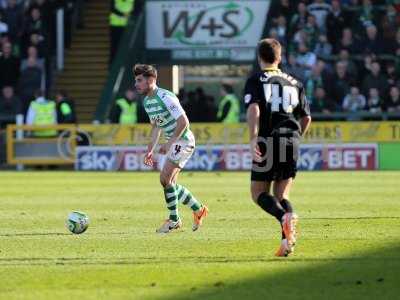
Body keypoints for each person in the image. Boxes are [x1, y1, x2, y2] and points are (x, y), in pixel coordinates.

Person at [244, 38, 311, 257]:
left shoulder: (256, 79)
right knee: (282, 195)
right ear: (279, 57)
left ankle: (283, 218)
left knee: (258, 193)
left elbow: (254, 108)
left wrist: (253, 137)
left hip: (267, 139)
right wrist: (295, 137)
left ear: (259, 57)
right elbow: (307, 118)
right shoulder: (295, 82)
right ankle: (286, 243)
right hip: (292, 139)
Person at [134, 64, 208, 233]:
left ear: (151, 80)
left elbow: (184, 122)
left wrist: (170, 142)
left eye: (139, 80)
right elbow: (156, 127)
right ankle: (198, 209)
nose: (136, 84)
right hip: (175, 142)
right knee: (170, 183)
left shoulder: (166, 97)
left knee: (165, 178)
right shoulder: (147, 101)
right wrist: (150, 150)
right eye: (135, 80)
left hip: (183, 141)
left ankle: (174, 220)